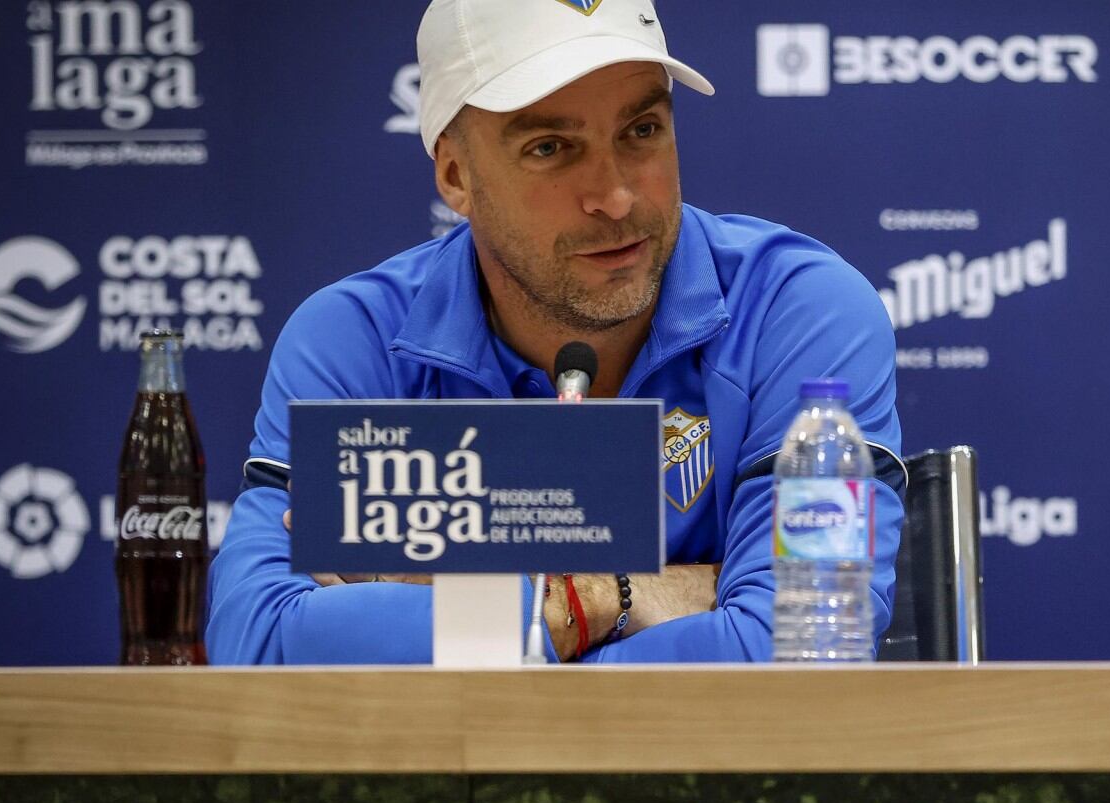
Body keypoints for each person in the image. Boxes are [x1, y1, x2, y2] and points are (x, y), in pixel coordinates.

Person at [206, 0, 902, 664]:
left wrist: (548, 605)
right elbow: (258, 643)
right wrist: (578, 608)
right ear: (456, 175)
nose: (617, 198)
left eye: (641, 131)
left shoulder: (798, 310)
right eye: (550, 147)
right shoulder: (352, 339)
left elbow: (800, 644)